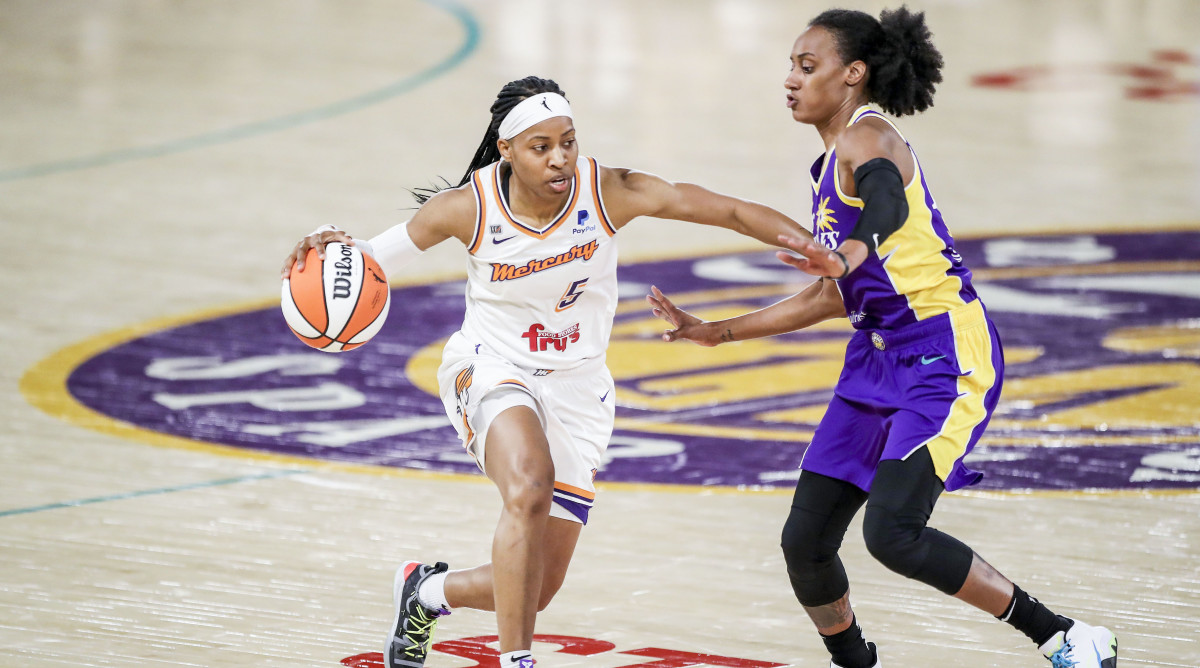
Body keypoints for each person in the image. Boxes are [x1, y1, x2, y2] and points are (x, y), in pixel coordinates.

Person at [281, 76, 813, 668]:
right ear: (507, 150)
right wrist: (325, 243)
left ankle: (425, 593)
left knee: (536, 590)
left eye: (568, 141)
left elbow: (729, 210)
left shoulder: (608, 191)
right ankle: (518, 661)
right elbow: (367, 259)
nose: (560, 157)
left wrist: (816, 246)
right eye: (541, 147)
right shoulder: (468, 208)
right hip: (492, 366)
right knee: (530, 485)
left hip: (580, 388)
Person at [645, 8, 1117, 668]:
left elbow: (886, 204)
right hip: (876, 360)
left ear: (853, 74)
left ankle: (1065, 637)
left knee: (893, 533)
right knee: (805, 542)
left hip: (943, 353)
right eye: (790, 66)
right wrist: (715, 333)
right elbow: (828, 296)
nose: (790, 80)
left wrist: (852, 251)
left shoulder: (871, 139)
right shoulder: (827, 166)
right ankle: (853, 662)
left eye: (807, 66)